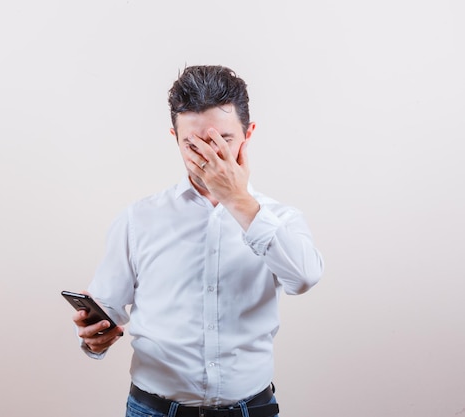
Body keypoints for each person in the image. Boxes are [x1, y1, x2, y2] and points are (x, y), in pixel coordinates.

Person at [71, 65, 324, 417]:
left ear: (248, 134)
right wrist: (96, 335)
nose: (209, 156)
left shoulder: (280, 218)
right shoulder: (138, 218)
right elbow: (107, 310)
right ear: (174, 138)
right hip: (154, 409)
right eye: (193, 144)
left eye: (224, 140)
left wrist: (238, 200)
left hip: (251, 409)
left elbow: (304, 278)